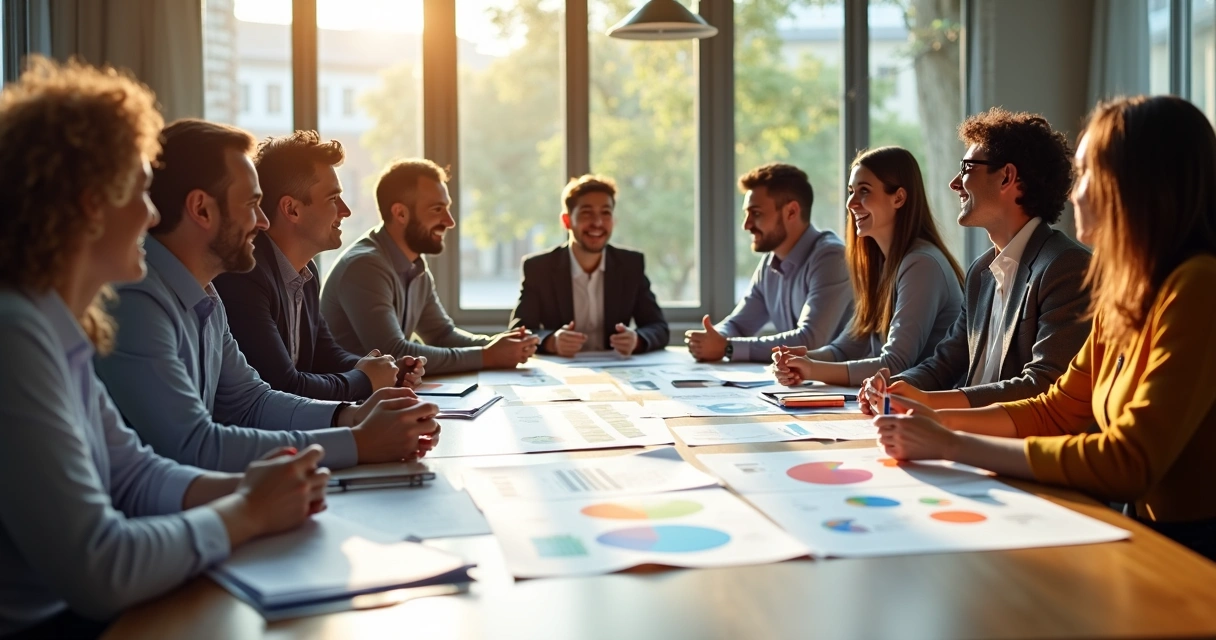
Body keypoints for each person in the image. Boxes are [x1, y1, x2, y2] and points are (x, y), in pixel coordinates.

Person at [0, 57, 330, 639]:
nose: (152, 213)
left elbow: (134, 477)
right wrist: (248, 511)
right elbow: (99, 564)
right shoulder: (15, 333)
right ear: (89, 201)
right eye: (139, 190)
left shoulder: (60, 326)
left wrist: (262, 490)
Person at [874, 95, 1216, 561]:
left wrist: (954, 443)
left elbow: (1128, 462)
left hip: (1193, 549)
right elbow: (1056, 410)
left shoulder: (1198, 286)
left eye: (1090, 172)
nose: (1075, 193)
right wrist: (933, 418)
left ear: (1140, 181)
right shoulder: (1125, 290)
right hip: (1146, 534)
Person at [95, 119, 439, 473]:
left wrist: (351, 415)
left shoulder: (207, 295)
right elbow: (193, 446)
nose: (262, 221)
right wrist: (357, 440)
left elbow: (251, 401)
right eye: (251, 203)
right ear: (201, 210)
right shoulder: (137, 300)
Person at [858, 109, 1091, 414]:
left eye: (967, 167)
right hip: (960, 433)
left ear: (1007, 176)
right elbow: (945, 363)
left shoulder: (1066, 266)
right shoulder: (981, 272)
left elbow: (1043, 385)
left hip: (1008, 448)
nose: (955, 183)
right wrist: (893, 387)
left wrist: (930, 403)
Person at [214, 131, 425, 401]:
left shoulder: (307, 272)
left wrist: (382, 369)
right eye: (333, 198)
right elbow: (282, 386)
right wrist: (364, 380)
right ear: (292, 210)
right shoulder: (246, 275)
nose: (345, 210)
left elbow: (326, 355)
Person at [321, 159, 539, 374]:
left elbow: (441, 334)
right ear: (400, 214)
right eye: (437, 209)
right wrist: (488, 356)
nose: (450, 221)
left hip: (377, 395)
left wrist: (499, 345)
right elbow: (394, 353)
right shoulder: (365, 267)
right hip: (347, 401)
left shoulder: (415, 267)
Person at [772, 147, 964, 387]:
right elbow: (848, 346)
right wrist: (801, 359)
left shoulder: (921, 263)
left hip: (928, 407)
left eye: (864, 191)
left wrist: (812, 370)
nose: (851, 203)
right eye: (851, 191)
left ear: (899, 198)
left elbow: (894, 364)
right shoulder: (883, 264)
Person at [684, 163, 852, 362]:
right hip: (803, 384)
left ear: (791, 212)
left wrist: (728, 348)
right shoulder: (770, 263)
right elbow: (739, 325)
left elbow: (810, 340)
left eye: (756, 213)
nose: (746, 225)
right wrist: (713, 338)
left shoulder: (831, 257)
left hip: (850, 387)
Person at [508, 175, 669, 357]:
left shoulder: (630, 265)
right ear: (567, 221)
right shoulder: (539, 268)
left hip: (619, 373)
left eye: (605, 213)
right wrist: (552, 341)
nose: (598, 223)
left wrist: (637, 340)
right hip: (562, 375)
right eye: (587, 213)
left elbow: (658, 328)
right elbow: (519, 332)